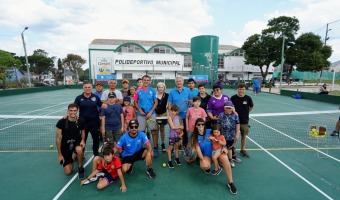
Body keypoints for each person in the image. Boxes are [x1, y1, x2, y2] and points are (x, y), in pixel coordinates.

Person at [190, 118, 237, 195]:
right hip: (207, 156)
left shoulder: (210, 131)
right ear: (196, 126)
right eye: (199, 124)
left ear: (204, 125)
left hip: (217, 152)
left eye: (202, 124)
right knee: (204, 166)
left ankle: (231, 182)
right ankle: (209, 167)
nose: (201, 126)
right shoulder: (194, 137)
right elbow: (198, 150)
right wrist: (202, 160)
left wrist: (224, 148)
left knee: (225, 158)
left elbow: (220, 137)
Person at [56, 103, 86, 179]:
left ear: (77, 111)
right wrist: (60, 155)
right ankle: (73, 157)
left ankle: (80, 166)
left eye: (75, 110)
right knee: (68, 172)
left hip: (76, 142)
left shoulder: (81, 120)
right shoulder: (61, 122)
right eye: (71, 110)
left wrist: (82, 140)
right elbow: (58, 139)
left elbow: (83, 132)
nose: (73, 112)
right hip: (65, 145)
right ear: (68, 111)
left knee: (79, 149)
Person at [74, 81, 104, 156]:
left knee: (96, 139)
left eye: (89, 87)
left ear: (91, 88)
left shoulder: (95, 97)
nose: (87, 89)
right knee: (83, 139)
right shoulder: (79, 98)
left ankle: (96, 153)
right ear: (83, 88)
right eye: (86, 87)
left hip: (94, 122)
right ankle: (81, 153)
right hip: (83, 123)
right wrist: (67, 115)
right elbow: (74, 108)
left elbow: (102, 105)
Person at [133, 75, 158, 157]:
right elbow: (135, 102)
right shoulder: (138, 91)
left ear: (150, 81)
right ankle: (142, 148)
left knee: (154, 131)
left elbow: (156, 102)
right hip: (141, 114)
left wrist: (151, 112)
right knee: (141, 132)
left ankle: (155, 148)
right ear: (142, 81)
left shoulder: (152, 90)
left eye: (148, 80)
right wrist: (140, 110)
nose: (146, 81)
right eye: (145, 80)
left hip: (151, 114)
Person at [231, 83, 254, 158]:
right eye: (240, 89)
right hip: (234, 121)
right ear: (238, 89)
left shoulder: (248, 98)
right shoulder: (233, 98)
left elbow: (251, 107)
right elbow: (230, 108)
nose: (241, 90)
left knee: (244, 136)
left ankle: (243, 149)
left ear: (245, 90)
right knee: (234, 136)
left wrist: (246, 112)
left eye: (243, 89)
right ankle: (232, 148)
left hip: (244, 121)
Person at [168, 77, 190, 151]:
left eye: (180, 81)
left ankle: (185, 146)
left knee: (185, 133)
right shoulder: (172, 92)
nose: (179, 83)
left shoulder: (187, 90)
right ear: (175, 82)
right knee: (175, 133)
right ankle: (174, 148)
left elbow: (190, 101)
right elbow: (169, 104)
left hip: (185, 116)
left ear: (183, 82)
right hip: (175, 118)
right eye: (177, 81)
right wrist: (171, 115)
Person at [217, 101, 240, 167]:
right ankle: (222, 161)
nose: (228, 109)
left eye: (230, 108)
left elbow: (238, 125)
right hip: (222, 136)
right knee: (222, 148)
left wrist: (237, 134)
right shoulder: (221, 115)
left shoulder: (235, 115)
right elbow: (218, 125)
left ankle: (230, 160)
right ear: (224, 108)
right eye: (227, 108)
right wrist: (218, 135)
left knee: (230, 148)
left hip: (231, 135)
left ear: (232, 108)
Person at [155, 82, 169, 152]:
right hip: (155, 115)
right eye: (159, 87)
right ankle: (156, 144)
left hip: (163, 114)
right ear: (157, 88)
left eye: (162, 87)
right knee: (156, 130)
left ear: (164, 88)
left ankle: (163, 143)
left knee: (162, 130)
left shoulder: (167, 95)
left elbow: (169, 105)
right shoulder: (154, 95)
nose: (160, 88)